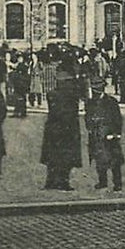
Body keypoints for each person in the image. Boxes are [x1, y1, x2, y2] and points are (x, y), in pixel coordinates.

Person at [40, 53, 84, 190]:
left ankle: (51, 181)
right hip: (68, 128)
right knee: (66, 156)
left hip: (53, 128)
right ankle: (63, 182)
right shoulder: (72, 92)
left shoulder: (53, 94)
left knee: (53, 156)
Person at [85, 81, 124, 192]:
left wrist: (116, 133)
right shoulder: (90, 103)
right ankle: (103, 182)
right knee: (99, 160)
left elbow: (118, 119)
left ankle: (118, 183)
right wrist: (90, 128)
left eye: (97, 91)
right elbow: (87, 118)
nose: (95, 94)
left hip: (110, 136)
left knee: (114, 161)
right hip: (97, 136)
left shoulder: (111, 102)